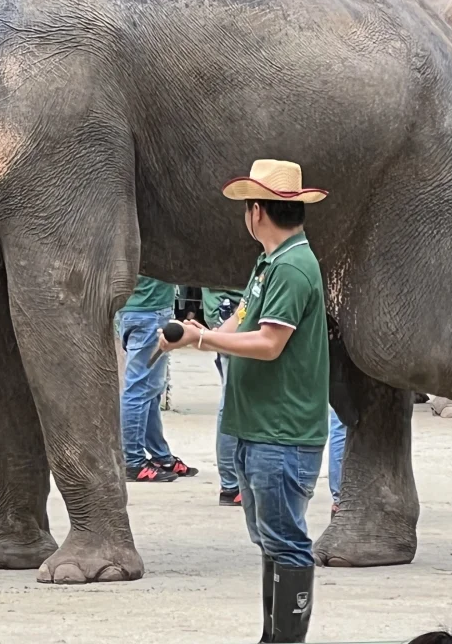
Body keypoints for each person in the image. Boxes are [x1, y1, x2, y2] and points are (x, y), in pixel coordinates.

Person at [161, 159, 329, 644]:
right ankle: (272, 637)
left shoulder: (294, 268)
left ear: (257, 211)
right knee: (271, 540)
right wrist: (204, 333)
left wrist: (203, 343)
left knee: (285, 542)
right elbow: (244, 318)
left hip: (282, 432)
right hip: (260, 428)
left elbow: (269, 342)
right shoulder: (270, 264)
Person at [117, 275, 198, 482]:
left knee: (149, 390)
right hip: (150, 312)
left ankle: (161, 456)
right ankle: (133, 461)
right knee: (138, 389)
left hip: (132, 311)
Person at [203, 287, 243, 504]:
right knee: (232, 398)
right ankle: (231, 484)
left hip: (225, 308)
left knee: (233, 396)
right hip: (232, 309)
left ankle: (232, 482)